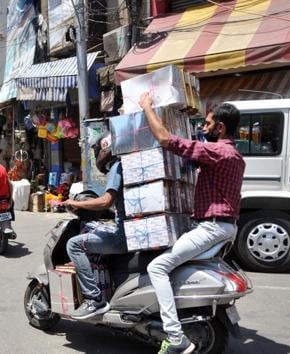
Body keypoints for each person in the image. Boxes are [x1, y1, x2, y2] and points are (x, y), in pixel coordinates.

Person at [139, 94, 245, 354]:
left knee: (158, 267)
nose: (203, 128)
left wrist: (146, 108)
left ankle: (176, 338)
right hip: (223, 226)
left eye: (208, 124)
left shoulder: (218, 151)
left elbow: (166, 140)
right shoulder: (234, 156)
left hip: (212, 227)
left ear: (220, 127)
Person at [61, 132, 127, 319]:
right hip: (134, 231)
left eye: (98, 150)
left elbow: (105, 201)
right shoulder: (129, 165)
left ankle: (94, 299)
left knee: (74, 244)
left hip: (124, 237)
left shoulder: (117, 166)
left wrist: (75, 204)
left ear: (105, 147)